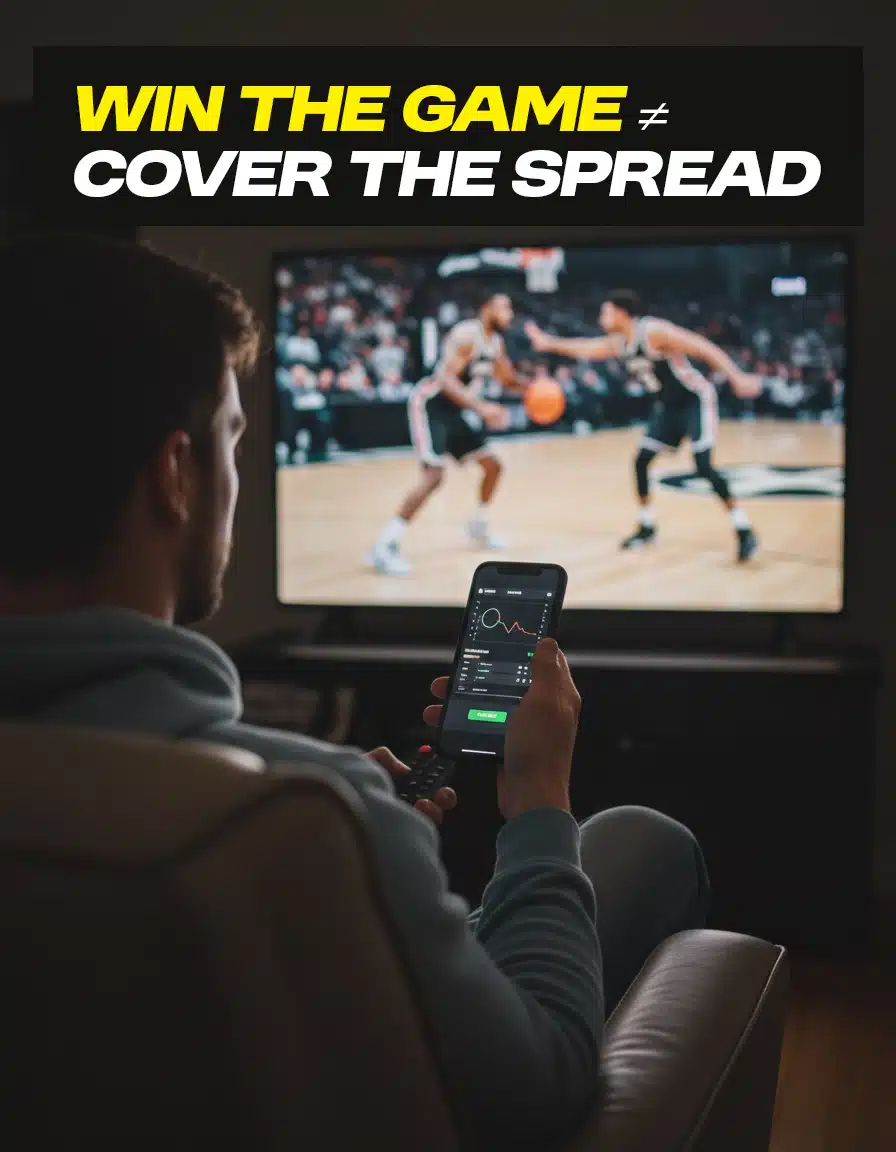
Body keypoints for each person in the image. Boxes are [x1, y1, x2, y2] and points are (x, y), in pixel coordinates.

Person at [0, 235, 710, 1152]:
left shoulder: (296, 808)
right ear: (176, 475)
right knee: (642, 841)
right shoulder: (308, 816)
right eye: (231, 436)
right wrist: (537, 802)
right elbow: (541, 1094)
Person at [527, 290, 762, 562]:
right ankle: (647, 525)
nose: (601, 318)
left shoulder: (652, 331)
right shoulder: (619, 343)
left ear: (622, 313)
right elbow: (585, 347)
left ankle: (743, 528)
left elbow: (701, 346)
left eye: (606, 312)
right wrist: (548, 343)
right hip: (667, 406)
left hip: (694, 399)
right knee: (641, 461)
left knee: (703, 466)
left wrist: (736, 376)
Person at [367, 290, 526, 576]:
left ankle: (478, 524)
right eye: (504, 308)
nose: (510, 314)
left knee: (493, 465)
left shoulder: (496, 343)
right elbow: (446, 380)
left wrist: (537, 388)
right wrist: (481, 408)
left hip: (455, 412)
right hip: (431, 405)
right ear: (486, 309)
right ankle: (384, 545)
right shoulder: (467, 335)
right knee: (434, 476)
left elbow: (509, 379)